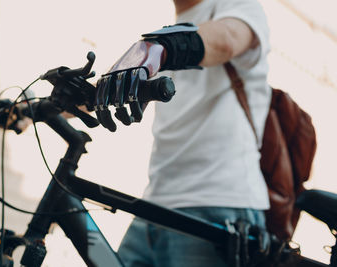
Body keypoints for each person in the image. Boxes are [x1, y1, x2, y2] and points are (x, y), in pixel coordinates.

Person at [96, 0, 272, 266]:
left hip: (218, 204)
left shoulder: (237, 6)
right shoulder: (169, 26)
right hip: (154, 204)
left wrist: (159, 48)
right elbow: (104, 90)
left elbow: (226, 39)